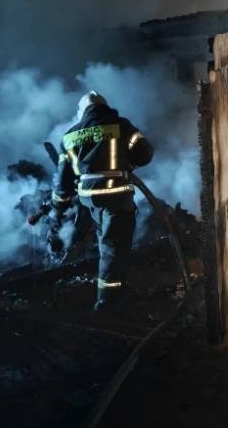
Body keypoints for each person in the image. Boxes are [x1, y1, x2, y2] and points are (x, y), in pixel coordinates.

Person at [50, 91, 153, 311]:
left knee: (106, 244)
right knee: (113, 248)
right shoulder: (122, 126)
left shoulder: (69, 136)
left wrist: (58, 208)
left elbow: (62, 181)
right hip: (116, 196)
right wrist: (129, 163)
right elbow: (145, 154)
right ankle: (107, 304)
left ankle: (111, 293)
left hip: (90, 200)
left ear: (82, 112)